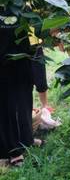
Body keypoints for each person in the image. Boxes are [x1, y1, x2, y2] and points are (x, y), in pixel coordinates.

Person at [0, 9, 35, 166]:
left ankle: (26, 139)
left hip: (22, 54)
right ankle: (11, 150)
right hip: (3, 58)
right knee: (6, 105)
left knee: (24, 97)